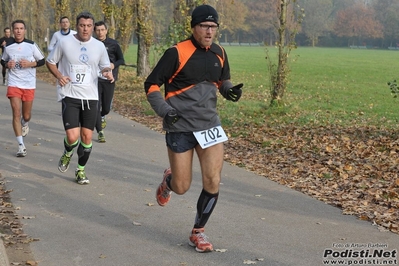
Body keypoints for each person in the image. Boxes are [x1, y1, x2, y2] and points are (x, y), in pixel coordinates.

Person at [144, 5, 243, 253]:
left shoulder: (219, 52)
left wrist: (228, 90)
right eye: (204, 26)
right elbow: (151, 85)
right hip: (180, 125)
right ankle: (169, 181)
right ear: (194, 27)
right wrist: (165, 110)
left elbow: (222, 79)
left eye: (213, 27)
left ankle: (198, 232)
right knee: (182, 186)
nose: (209, 31)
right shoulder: (176, 52)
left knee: (213, 179)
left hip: (209, 125)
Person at [46, 11, 114, 185]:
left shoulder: (98, 46)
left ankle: (80, 170)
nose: (85, 29)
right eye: (82, 25)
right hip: (70, 94)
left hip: (91, 97)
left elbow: (105, 66)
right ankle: (68, 152)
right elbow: (50, 61)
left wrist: (108, 73)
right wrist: (59, 76)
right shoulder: (64, 42)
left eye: (89, 26)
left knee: (87, 137)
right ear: (77, 26)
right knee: (72, 137)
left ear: (92, 27)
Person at [0, 20, 45, 157]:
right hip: (14, 83)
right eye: (16, 28)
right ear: (13, 31)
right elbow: (2, 60)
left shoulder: (31, 45)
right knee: (16, 113)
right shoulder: (8, 46)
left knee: (26, 115)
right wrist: (8, 64)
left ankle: (25, 123)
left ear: (25, 30)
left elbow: (42, 60)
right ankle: (21, 145)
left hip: (29, 84)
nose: (18, 31)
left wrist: (31, 63)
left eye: (21, 28)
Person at [94, 21, 125, 143]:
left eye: (102, 30)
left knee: (106, 107)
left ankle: (102, 116)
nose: (100, 32)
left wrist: (113, 65)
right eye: (98, 30)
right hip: (95, 79)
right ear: (95, 31)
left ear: (106, 30)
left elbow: (121, 59)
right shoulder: (92, 44)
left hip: (109, 79)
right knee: (96, 105)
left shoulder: (113, 44)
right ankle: (100, 131)